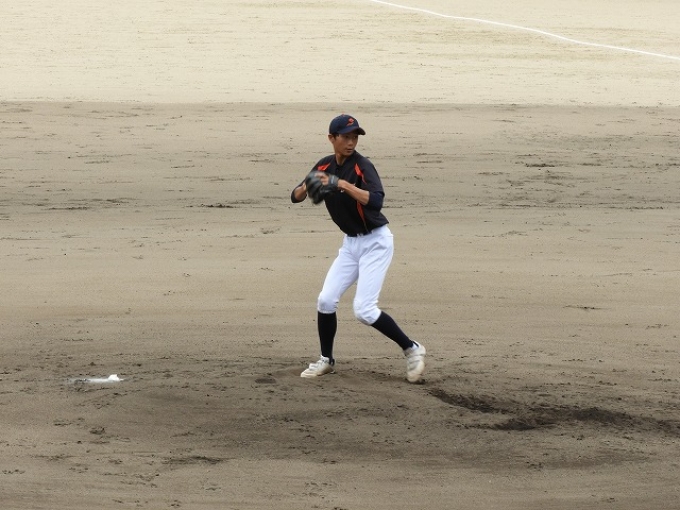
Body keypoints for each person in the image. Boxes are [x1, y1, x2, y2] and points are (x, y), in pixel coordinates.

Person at [290, 114, 426, 383]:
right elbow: (295, 196)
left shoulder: (363, 166)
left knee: (364, 310)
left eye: (355, 137)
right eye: (346, 137)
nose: (351, 142)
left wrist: (341, 184)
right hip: (351, 244)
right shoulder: (324, 165)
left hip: (376, 242)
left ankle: (412, 349)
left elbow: (375, 201)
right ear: (332, 138)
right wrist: (307, 186)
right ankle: (326, 360)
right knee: (326, 300)